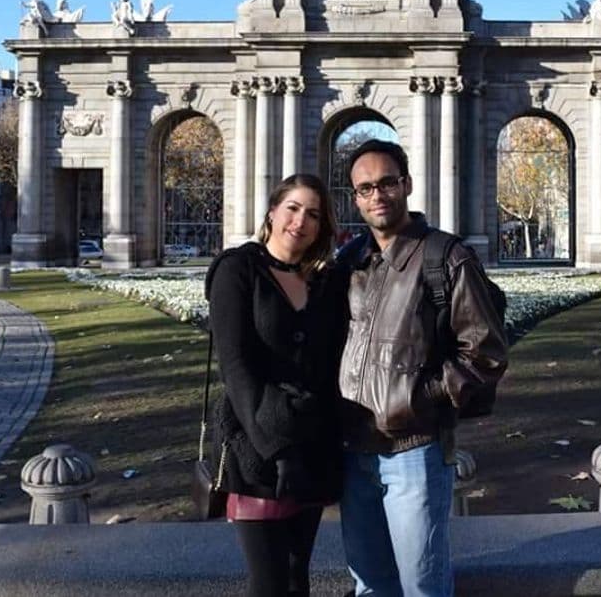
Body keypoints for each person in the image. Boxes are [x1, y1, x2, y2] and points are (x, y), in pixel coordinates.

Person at [335, 139, 508, 597]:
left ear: (407, 184)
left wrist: (421, 397)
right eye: (365, 187)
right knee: (369, 586)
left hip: (413, 450)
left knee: (422, 588)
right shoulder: (349, 261)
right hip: (354, 451)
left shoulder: (446, 257)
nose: (377, 195)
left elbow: (485, 353)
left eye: (387, 183)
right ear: (355, 197)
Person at [205, 173, 347, 597]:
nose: (300, 221)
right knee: (268, 583)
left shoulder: (324, 280)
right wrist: (278, 450)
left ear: (322, 227)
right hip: (257, 447)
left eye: (313, 214)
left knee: (296, 574)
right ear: (272, 212)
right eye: (293, 208)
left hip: (313, 448)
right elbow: (236, 367)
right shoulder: (237, 270)